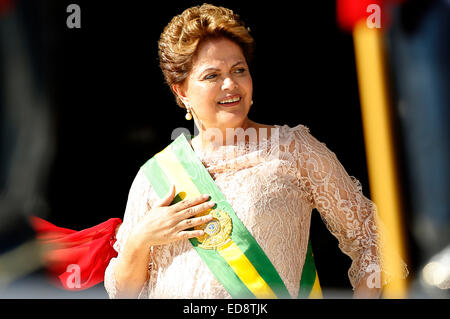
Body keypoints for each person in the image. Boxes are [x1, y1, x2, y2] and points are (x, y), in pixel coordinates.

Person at [103, 4, 407, 299]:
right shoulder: (154, 175)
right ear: (181, 91)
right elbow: (123, 293)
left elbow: (373, 241)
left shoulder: (293, 150)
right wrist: (140, 240)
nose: (230, 84)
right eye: (212, 75)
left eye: (239, 70)